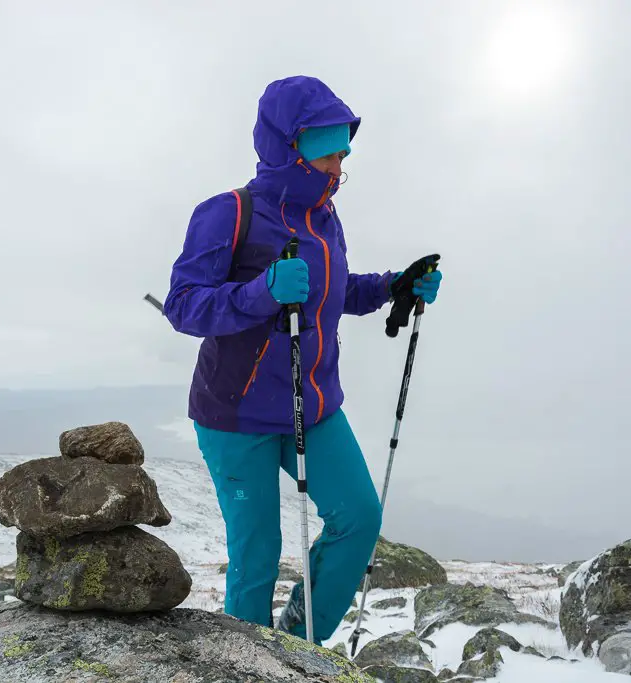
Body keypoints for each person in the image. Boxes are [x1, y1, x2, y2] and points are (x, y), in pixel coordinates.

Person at [162, 75, 442, 644]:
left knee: (359, 518)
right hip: (235, 416)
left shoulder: (324, 220)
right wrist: (259, 293)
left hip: (312, 407)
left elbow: (332, 296)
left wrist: (393, 286)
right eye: (330, 152)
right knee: (257, 553)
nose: (340, 165)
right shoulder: (228, 213)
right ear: (290, 148)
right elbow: (183, 306)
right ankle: (245, 663)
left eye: (343, 152)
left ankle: (298, 642)